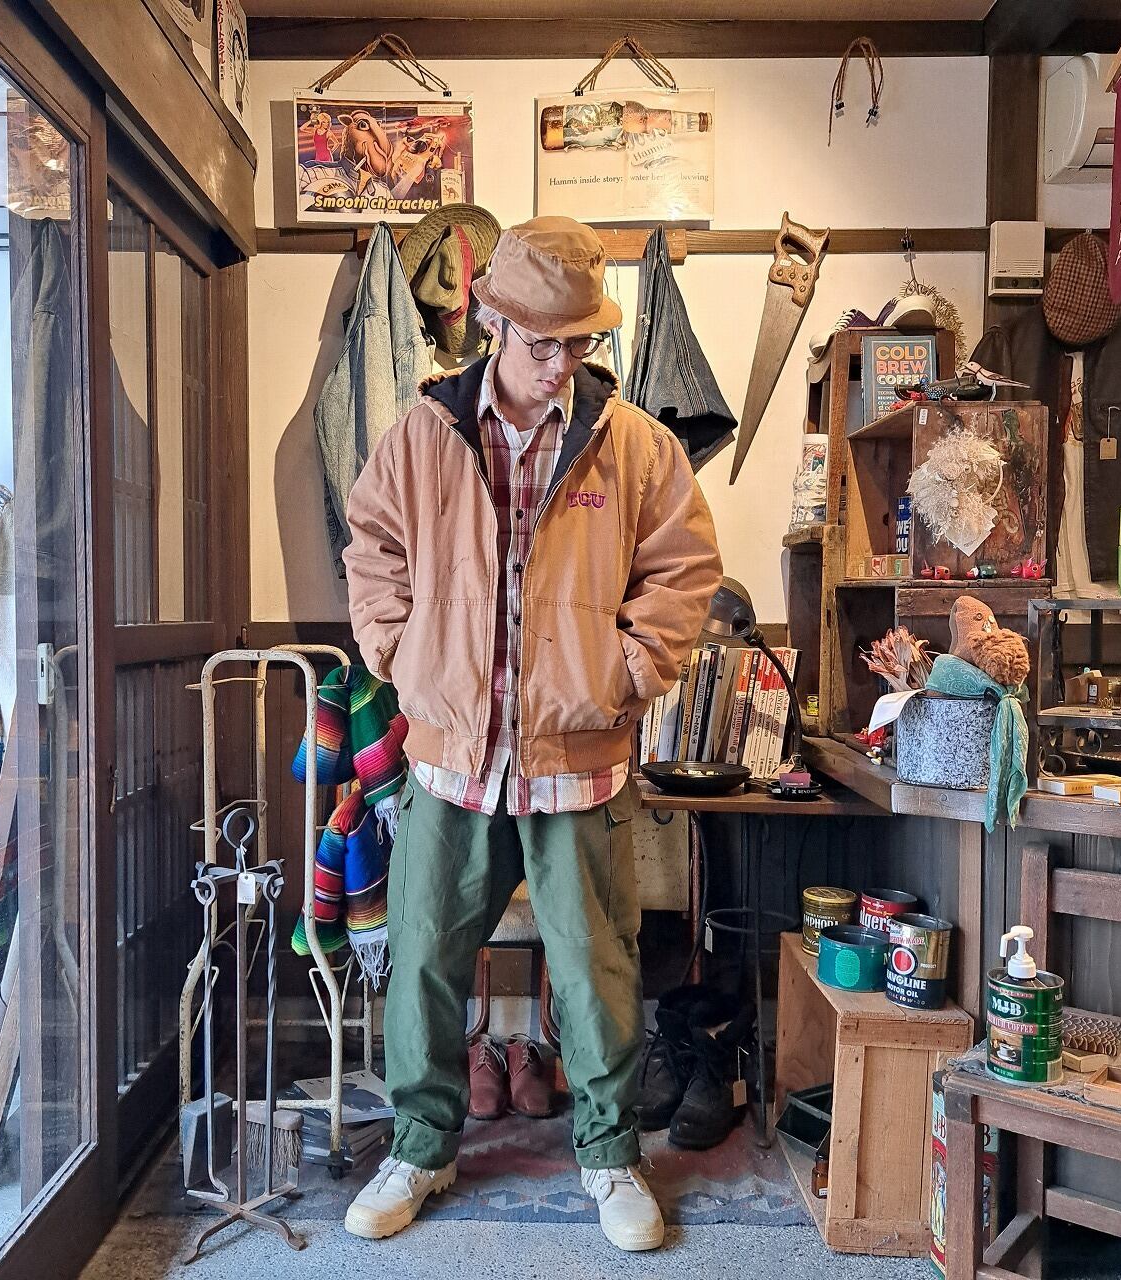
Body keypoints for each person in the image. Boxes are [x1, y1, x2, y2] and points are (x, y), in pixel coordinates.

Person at [341, 216, 721, 1252]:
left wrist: (628, 672)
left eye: (579, 342)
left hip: (576, 756)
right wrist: (399, 651)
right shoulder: (422, 434)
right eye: (544, 341)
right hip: (451, 754)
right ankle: (420, 1146)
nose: (562, 363)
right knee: (424, 956)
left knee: (597, 967)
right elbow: (371, 544)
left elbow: (685, 568)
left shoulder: (633, 443)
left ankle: (609, 1155)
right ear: (495, 323)